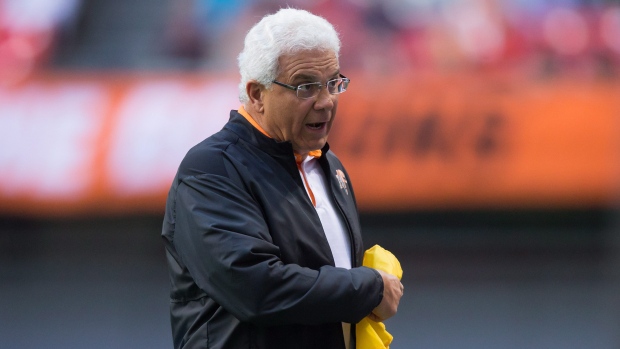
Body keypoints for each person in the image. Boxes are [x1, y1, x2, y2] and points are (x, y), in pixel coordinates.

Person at [161, 8, 403, 349]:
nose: (325, 102)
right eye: (306, 87)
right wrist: (369, 288)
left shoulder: (328, 165)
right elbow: (254, 288)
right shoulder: (211, 168)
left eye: (333, 83)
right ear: (257, 94)